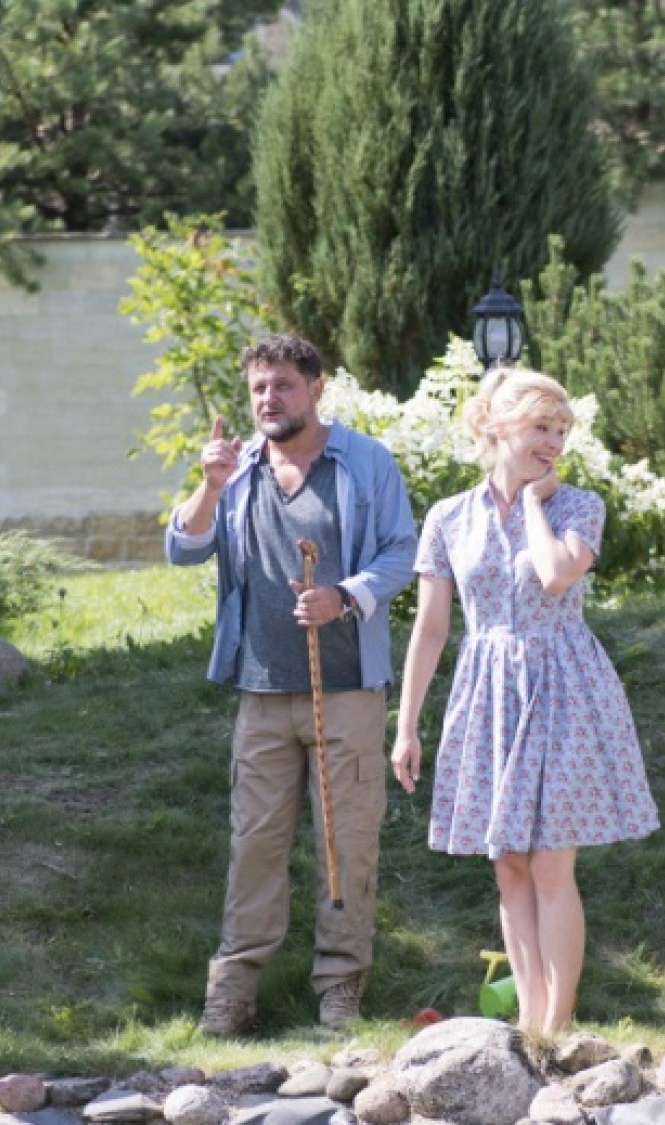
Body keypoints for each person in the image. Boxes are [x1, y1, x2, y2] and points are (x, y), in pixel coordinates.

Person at [391, 367, 658, 1035]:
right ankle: (530, 1022)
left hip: (565, 687)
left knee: (549, 861)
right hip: (488, 692)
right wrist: (407, 725)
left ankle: (554, 1029)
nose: (554, 442)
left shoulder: (579, 506)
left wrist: (535, 505)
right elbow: (431, 627)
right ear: (496, 426)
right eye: (541, 426)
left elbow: (555, 573)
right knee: (508, 864)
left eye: (561, 430)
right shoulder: (449, 517)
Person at [165, 332, 417, 1035]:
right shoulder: (238, 468)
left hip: (348, 688)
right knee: (254, 845)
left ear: (316, 388)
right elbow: (182, 547)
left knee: (346, 844)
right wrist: (209, 486)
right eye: (258, 389)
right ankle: (231, 994)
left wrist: (345, 595)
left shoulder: (363, 462)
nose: (269, 399)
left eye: (282, 385)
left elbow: (402, 550)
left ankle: (340, 987)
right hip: (262, 688)